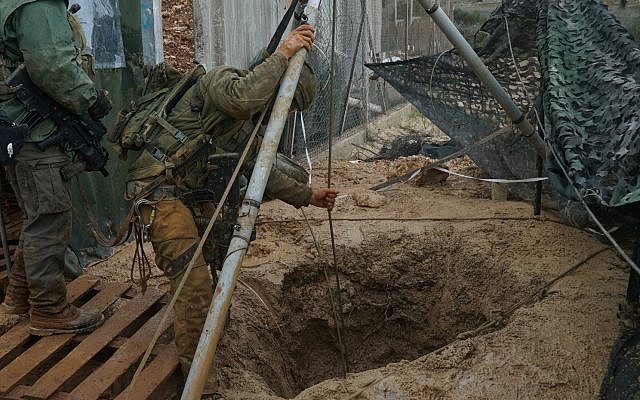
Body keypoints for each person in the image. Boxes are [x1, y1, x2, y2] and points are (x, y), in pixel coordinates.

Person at [108, 23, 336, 395]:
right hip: (158, 191)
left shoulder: (243, 129)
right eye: (286, 101)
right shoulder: (222, 81)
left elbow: (262, 168)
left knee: (216, 254)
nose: (283, 111)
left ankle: (206, 338)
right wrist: (284, 52)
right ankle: (200, 382)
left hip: (187, 194)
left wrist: (309, 196)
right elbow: (243, 99)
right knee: (194, 281)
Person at [0, 0, 111, 335]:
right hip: (35, 134)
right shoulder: (37, 4)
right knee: (49, 219)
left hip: (18, 129)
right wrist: (91, 99)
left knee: (36, 218)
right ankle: (50, 310)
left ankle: (18, 298)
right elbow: (51, 65)